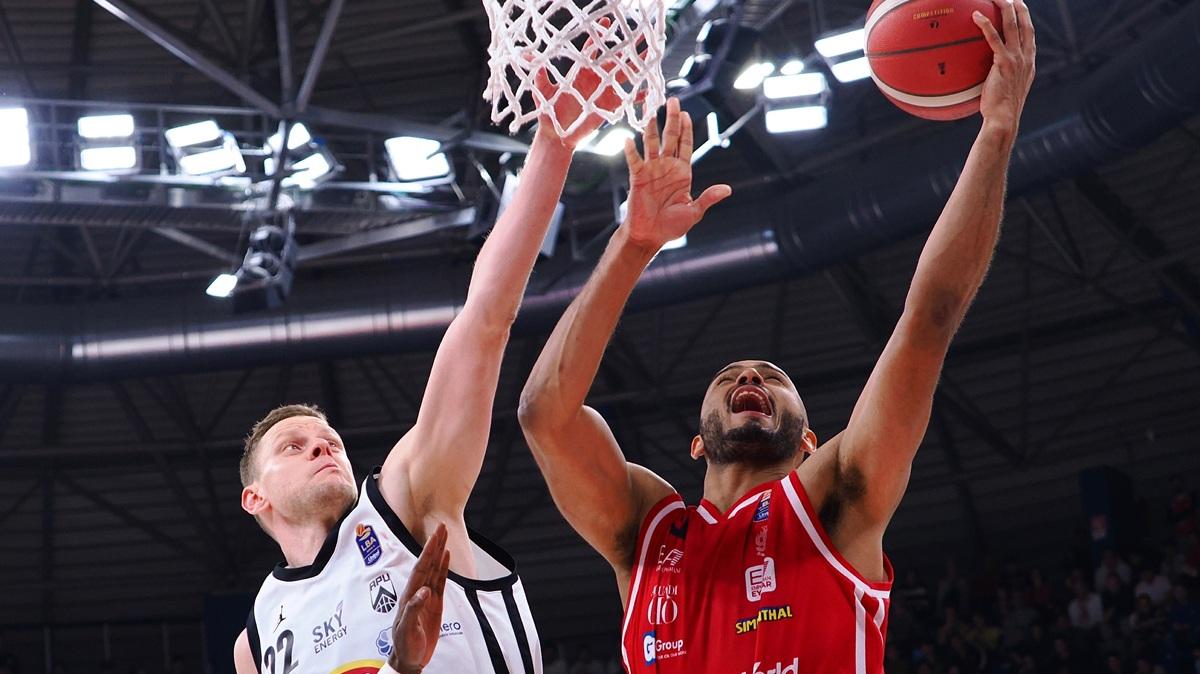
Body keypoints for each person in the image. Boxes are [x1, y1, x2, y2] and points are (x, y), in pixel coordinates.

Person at [516, 0, 1036, 670]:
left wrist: (997, 131)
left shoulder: (836, 499)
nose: (751, 379)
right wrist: (631, 244)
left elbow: (927, 322)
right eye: (731, 378)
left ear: (811, 441)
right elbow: (544, 417)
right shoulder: (649, 533)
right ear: (697, 441)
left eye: (772, 379)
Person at [232, 58, 625, 674]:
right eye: (294, 447)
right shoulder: (254, 640)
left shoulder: (407, 497)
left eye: (328, 439)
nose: (322, 448)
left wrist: (553, 145)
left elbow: (485, 321)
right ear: (255, 498)